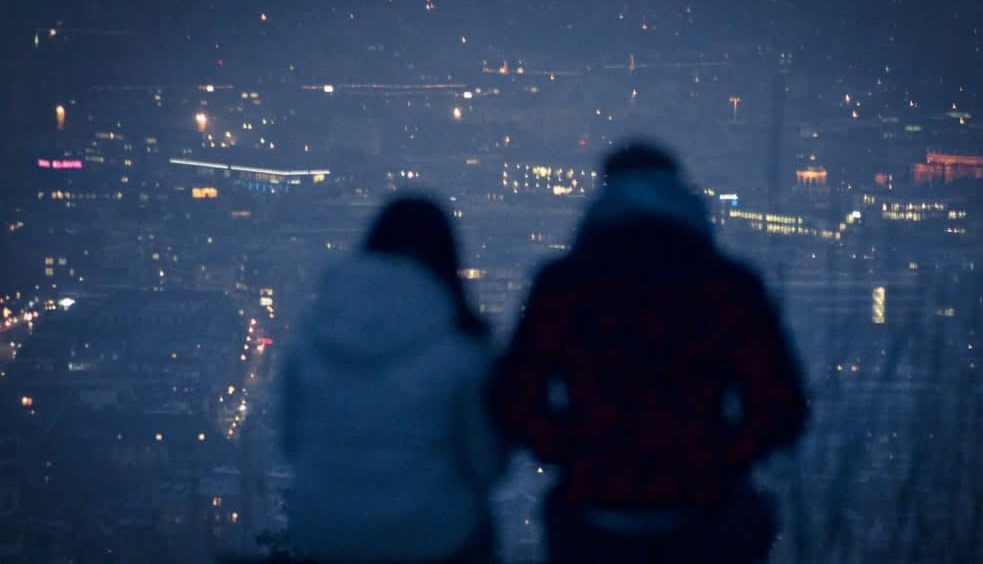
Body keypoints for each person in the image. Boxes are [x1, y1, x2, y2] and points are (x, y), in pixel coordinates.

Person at [490, 142, 808, 563]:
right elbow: (782, 404)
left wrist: (570, 451)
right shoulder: (728, 286)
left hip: (595, 508)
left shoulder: (563, 286)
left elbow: (515, 396)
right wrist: (722, 458)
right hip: (705, 511)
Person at [282, 196, 504, 563]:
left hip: (326, 533)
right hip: (433, 537)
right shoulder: (460, 349)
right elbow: (485, 464)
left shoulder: (311, 338)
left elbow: (292, 444)